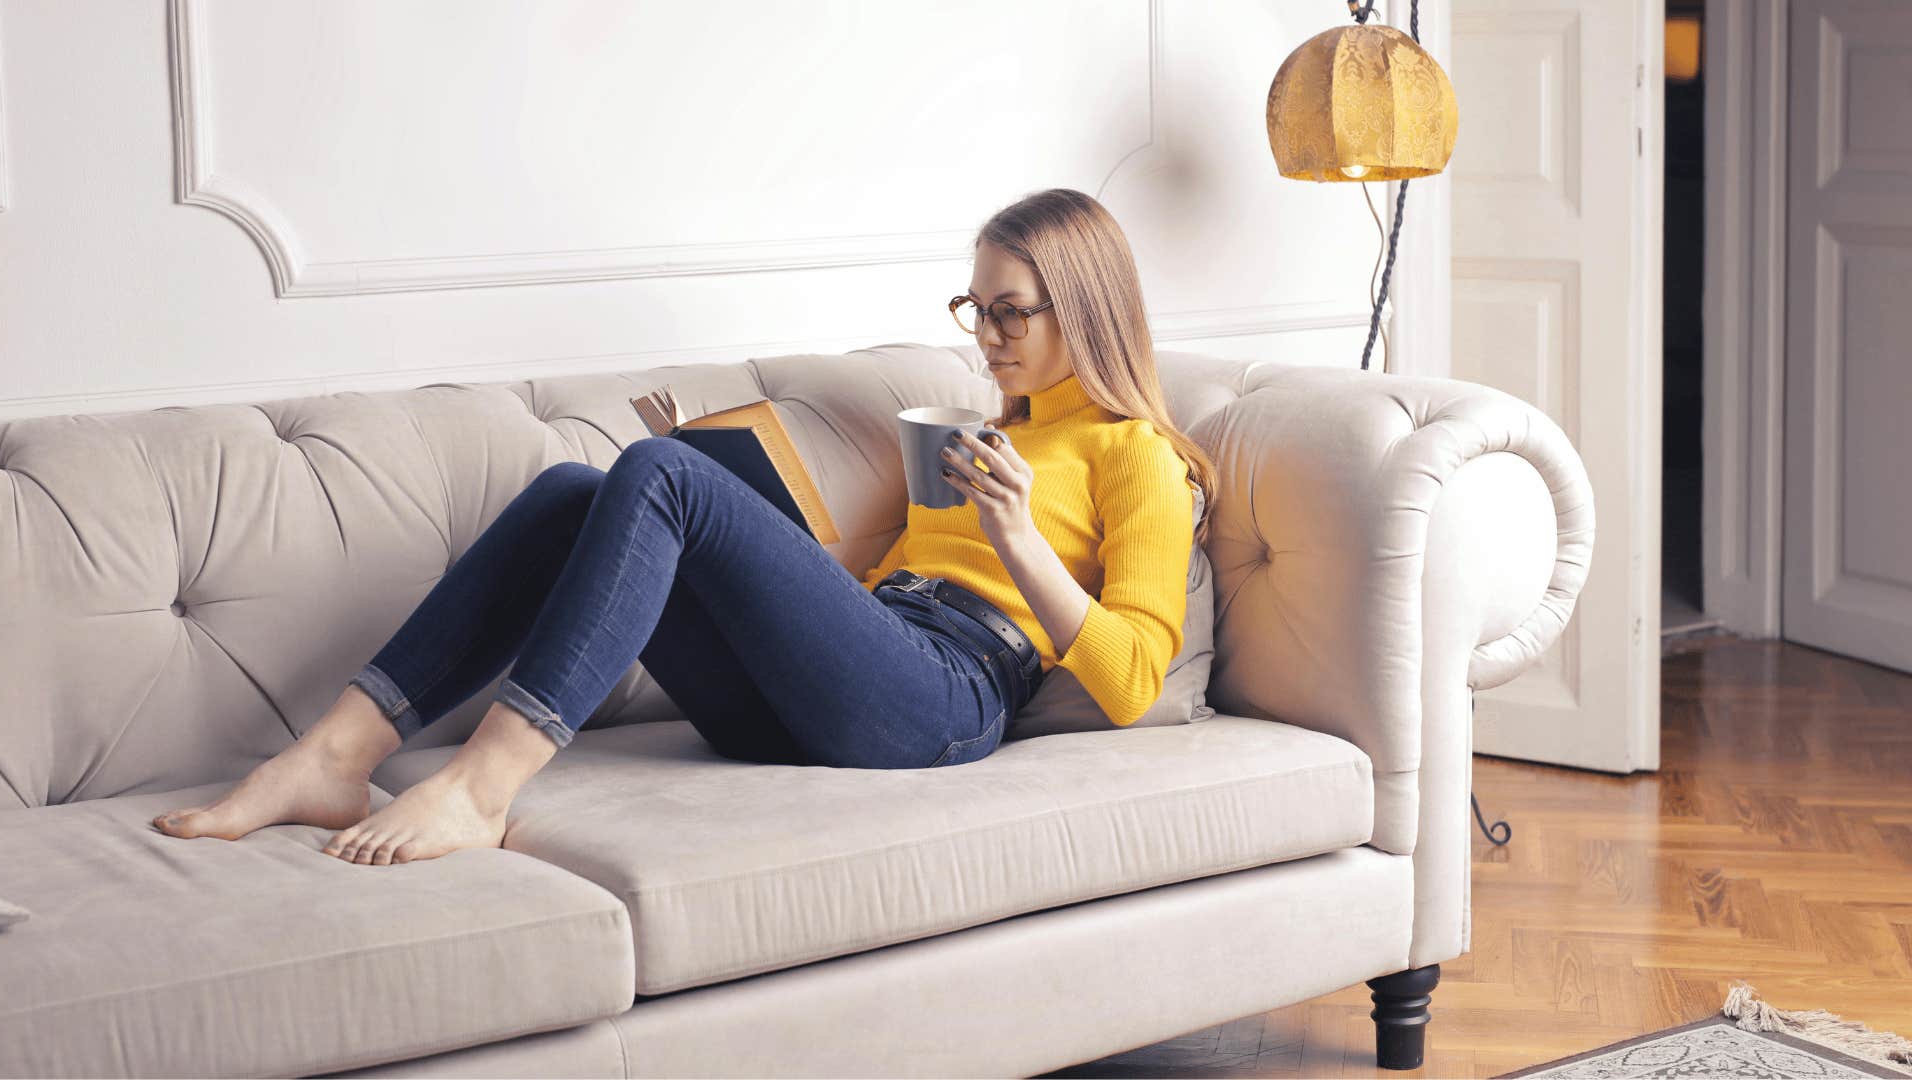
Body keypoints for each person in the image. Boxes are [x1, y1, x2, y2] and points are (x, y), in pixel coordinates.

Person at [149, 187, 1216, 865]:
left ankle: (482, 786)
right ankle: (338, 751)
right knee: (580, 492)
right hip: (840, 684)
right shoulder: (982, 435)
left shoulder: (1137, 457)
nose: (983, 335)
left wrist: (1022, 538)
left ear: (1084, 304)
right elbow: (866, 601)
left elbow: (1131, 681)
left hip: (944, 702)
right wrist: (754, 515)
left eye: (1008, 310)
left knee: (653, 474)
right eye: (973, 308)